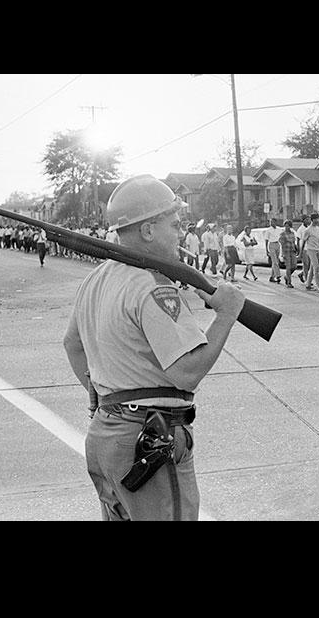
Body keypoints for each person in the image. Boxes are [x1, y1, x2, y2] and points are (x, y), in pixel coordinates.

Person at [63, 174, 245, 521]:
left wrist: (104, 395)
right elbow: (186, 372)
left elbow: (72, 344)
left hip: (107, 437)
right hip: (149, 441)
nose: (180, 232)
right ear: (147, 231)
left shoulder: (97, 277)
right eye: (174, 224)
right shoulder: (152, 285)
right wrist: (227, 314)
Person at [301, 213, 319, 292]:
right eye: (316, 219)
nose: (318, 220)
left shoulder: (318, 229)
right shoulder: (308, 230)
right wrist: (301, 252)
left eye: (318, 218)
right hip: (311, 250)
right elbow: (304, 242)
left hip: (317, 250)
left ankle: (308, 285)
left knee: (312, 268)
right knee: (316, 267)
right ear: (312, 220)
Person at [278, 220, 298, 288]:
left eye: (288, 226)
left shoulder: (292, 233)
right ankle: (289, 282)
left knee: (294, 266)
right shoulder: (282, 234)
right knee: (288, 267)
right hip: (286, 252)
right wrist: (283, 254)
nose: (287, 227)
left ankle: (287, 276)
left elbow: (293, 242)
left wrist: (296, 248)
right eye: (285, 226)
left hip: (292, 251)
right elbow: (282, 244)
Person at [264, 218, 282, 284]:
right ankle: (278, 276)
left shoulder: (279, 229)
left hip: (277, 244)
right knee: (275, 262)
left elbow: (281, 238)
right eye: (270, 222)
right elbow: (266, 240)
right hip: (271, 245)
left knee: (275, 262)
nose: (271, 223)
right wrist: (266, 250)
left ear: (275, 222)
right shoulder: (268, 230)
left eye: (273, 222)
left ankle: (272, 277)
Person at [295, 215, 311, 283]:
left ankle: (301, 274)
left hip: (309, 248)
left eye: (309, 219)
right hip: (303, 249)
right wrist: (299, 250)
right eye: (307, 219)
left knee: (309, 265)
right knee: (306, 264)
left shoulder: (309, 228)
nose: (308, 221)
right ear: (303, 220)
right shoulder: (300, 229)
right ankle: (307, 280)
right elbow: (298, 240)